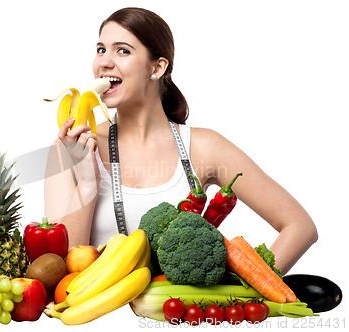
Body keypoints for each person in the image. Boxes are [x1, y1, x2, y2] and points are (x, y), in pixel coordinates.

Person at [44, 7, 317, 274]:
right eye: (101, 49)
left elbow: (299, 226)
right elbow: (55, 270)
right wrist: (87, 183)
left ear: (157, 67)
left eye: (122, 50)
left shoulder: (205, 147)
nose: (103, 62)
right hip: (93, 316)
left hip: (180, 316)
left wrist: (252, 294)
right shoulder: (70, 148)